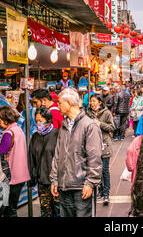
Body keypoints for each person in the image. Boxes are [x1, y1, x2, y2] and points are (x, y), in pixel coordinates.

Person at [50, 88, 102, 217]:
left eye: (60, 103)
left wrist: (90, 182)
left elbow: (94, 157)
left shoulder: (89, 126)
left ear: (68, 103)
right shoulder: (64, 126)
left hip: (80, 186)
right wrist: (55, 179)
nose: (58, 106)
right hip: (64, 185)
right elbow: (58, 155)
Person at [0, 106, 30, 217]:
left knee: (4, 209)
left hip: (10, 177)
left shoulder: (8, 134)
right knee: (12, 208)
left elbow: (1, 151)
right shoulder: (18, 130)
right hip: (21, 175)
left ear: (6, 119)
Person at [28, 106, 60, 217]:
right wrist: (32, 178)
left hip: (56, 182)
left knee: (58, 211)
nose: (38, 124)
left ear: (48, 120)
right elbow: (31, 158)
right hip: (42, 182)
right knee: (45, 212)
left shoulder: (58, 135)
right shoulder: (35, 136)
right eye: (36, 121)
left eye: (40, 121)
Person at [87, 93, 115, 206]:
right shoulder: (88, 114)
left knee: (104, 170)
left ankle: (106, 193)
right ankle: (100, 191)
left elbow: (112, 127)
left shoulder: (107, 113)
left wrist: (100, 124)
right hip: (92, 146)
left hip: (105, 146)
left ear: (100, 102)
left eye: (94, 101)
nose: (92, 103)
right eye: (91, 101)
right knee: (96, 170)